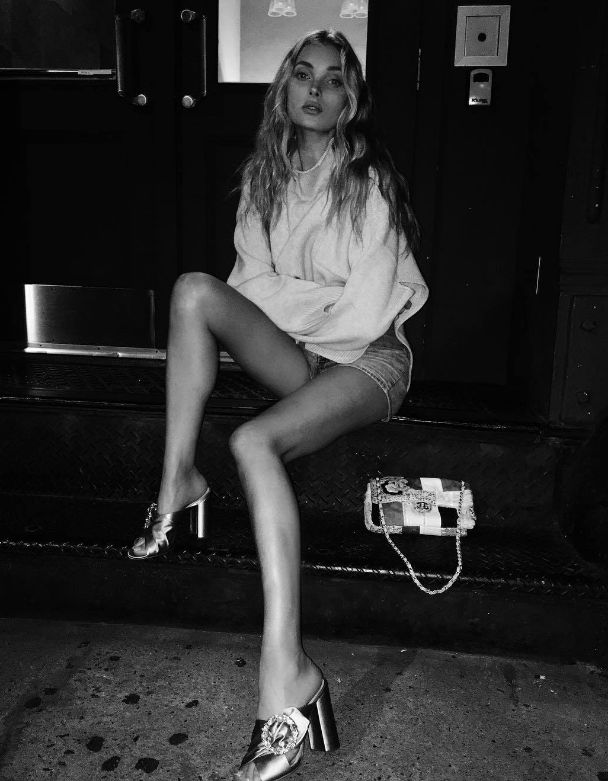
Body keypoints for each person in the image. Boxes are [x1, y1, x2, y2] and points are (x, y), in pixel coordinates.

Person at [128, 28, 428, 781]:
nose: (316, 89)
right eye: (303, 74)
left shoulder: (369, 179)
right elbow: (245, 285)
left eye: (333, 78)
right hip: (304, 352)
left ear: (349, 98)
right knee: (193, 290)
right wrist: (302, 304)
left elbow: (365, 307)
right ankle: (176, 480)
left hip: (369, 360)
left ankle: (286, 676)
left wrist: (291, 305)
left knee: (252, 441)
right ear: (284, 89)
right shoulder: (264, 177)